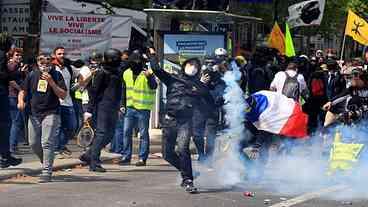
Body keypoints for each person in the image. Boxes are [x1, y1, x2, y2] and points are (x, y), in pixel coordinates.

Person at [149, 47, 214, 193]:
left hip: (185, 122)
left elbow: (209, 100)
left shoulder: (199, 85)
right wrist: (153, 55)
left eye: (196, 66)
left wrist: (214, 97)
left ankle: (188, 180)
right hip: (169, 120)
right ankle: (187, 171)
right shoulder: (173, 79)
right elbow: (157, 70)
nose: (193, 68)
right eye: (191, 65)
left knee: (183, 149)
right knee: (167, 154)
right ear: (184, 66)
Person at [18, 53, 67, 182]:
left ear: (51, 62)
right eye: (41, 61)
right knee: (33, 143)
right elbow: (23, 90)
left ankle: (46, 171)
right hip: (34, 113)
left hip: (51, 112)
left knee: (47, 143)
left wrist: (51, 82)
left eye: (47, 61)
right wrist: (21, 101)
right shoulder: (32, 75)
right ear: (37, 62)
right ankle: (46, 160)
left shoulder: (57, 75)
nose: (44, 63)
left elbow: (63, 95)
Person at [80, 48, 123, 172]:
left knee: (110, 135)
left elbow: (120, 90)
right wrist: (89, 111)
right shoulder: (101, 72)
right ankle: (94, 163)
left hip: (114, 106)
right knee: (101, 133)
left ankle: (89, 154)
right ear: (112, 59)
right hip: (102, 106)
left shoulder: (117, 72)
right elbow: (94, 92)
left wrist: (120, 105)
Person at [119, 51, 157, 166]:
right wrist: (122, 104)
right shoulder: (126, 73)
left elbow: (154, 86)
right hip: (130, 107)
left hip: (143, 108)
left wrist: (150, 77)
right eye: (133, 61)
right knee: (126, 132)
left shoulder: (147, 73)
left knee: (143, 134)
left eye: (138, 61)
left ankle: (142, 158)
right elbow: (124, 90)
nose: (136, 63)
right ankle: (126, 157)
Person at [0, 32, 22, 168]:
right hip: (1, 94)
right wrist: (15, 73)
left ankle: (5, 155)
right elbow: (2, 75)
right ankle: (5, 157)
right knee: (5, 124)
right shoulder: (1, 55)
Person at [52, 47, 77, 157]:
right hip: (56, 102)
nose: (62, 55)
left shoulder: (69, 68)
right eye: (59, 53)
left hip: (68, 102)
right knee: (57, 128)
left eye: (63, 53)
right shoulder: (52, 68)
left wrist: (78, 85)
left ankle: (61, 146)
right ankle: (58, 149)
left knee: (72, 126)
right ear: (54, 55)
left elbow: (84, 75)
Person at [7, 48, 28, 153]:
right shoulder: (12, 66)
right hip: (14, 96)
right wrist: (21, 90)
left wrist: (23, 71)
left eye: (20, 55)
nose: (19, 57)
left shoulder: (18, 67)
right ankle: (13, 146)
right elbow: (11, 81)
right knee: (16, 121)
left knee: (15, 121)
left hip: (16, 96)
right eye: (17, 55)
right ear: (11, 56)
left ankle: (12, 145)